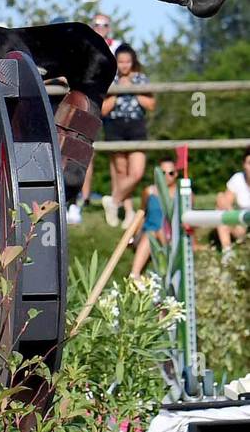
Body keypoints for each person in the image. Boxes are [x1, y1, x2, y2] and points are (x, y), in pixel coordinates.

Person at [68, 14, 122, 224]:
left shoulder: (118, 47)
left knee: (117, 159)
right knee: (81, 150)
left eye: (104, 25)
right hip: (92, 101)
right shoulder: (85, 46)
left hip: (112, 105)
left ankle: (115, 201)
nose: (101, 28)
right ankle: (81, 198)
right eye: (97, 24)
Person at [100, 43, 154, 229]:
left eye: (127, 61)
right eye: (120, 61)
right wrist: (117, 91)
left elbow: (150, 105)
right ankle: (128, 212)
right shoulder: (109, 79)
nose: (124, 65)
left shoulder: (141, 79)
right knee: (121, 172)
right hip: (115, 126)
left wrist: (131, 88)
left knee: (136, 172)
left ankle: (113, 201)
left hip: (136, 126)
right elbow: (104, 110)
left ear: (133, 62)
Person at [131, 158, 177, 277]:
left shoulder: (181, 194)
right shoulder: (149, 192)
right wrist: (132, 235)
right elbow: (141, 214)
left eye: (171, 173)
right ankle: (134, 275)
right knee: (151, 234)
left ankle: (169, 268)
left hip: (171, 234)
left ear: (176, 174)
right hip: (148, 232)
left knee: (161, 230)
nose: (167, 176)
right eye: (163, 173)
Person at [215, 145, 250, 252]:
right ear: (244, 165)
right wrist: (234, 218)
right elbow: (223, 201)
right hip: (242, 224)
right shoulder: (238, 179)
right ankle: (227, 251)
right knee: (220, 204)